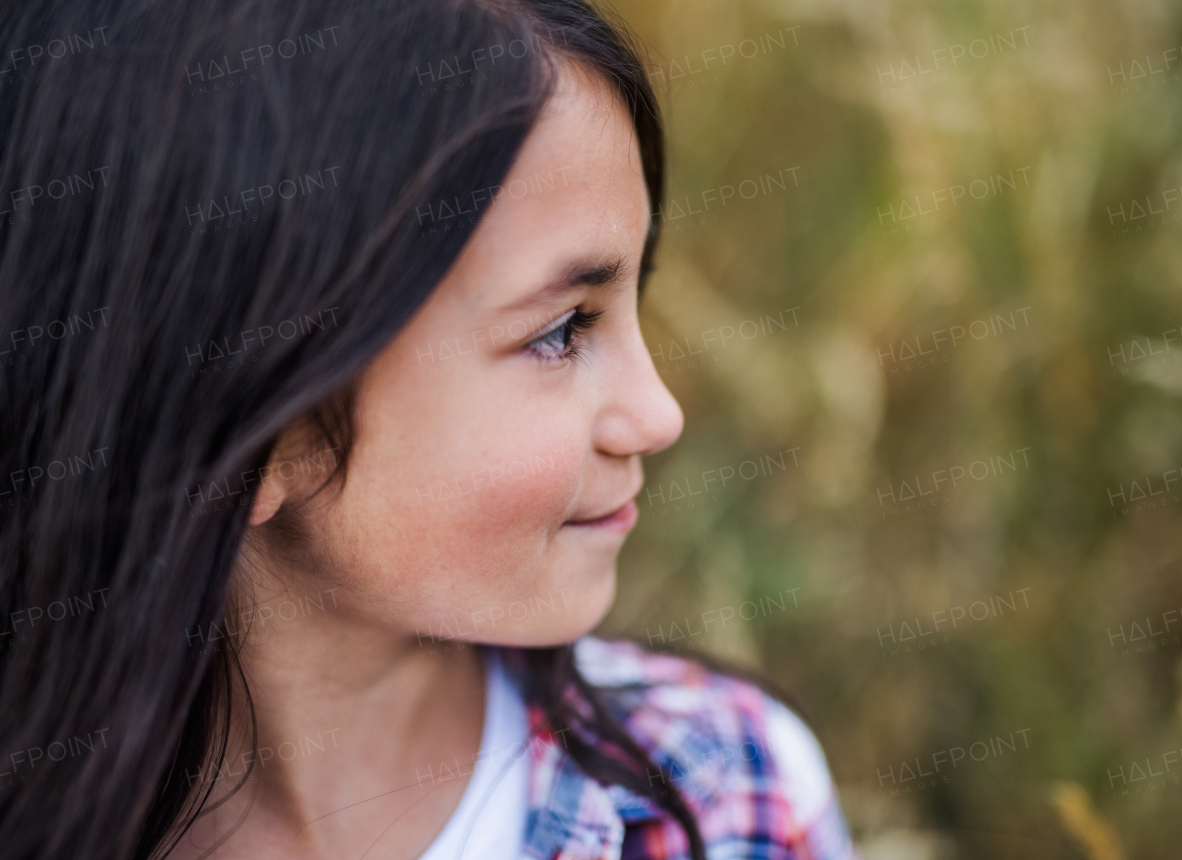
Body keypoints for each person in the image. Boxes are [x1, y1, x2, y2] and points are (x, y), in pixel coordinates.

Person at [0, 1, 858, 858]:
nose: (660, 414)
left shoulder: (723, 790)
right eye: (563, 329)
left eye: (636, 298)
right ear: (259, 433)